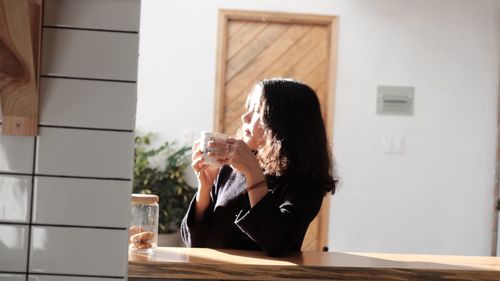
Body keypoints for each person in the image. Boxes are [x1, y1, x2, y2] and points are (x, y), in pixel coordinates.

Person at [181, 78, 337, 257]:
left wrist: (253, 172)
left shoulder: (307, 182)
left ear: (283, 122)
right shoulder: (229, 168)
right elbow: (194, 242)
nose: (245, 117)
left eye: (257, 110)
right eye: (248, 108)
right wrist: (205, 187)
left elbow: (277, 241)